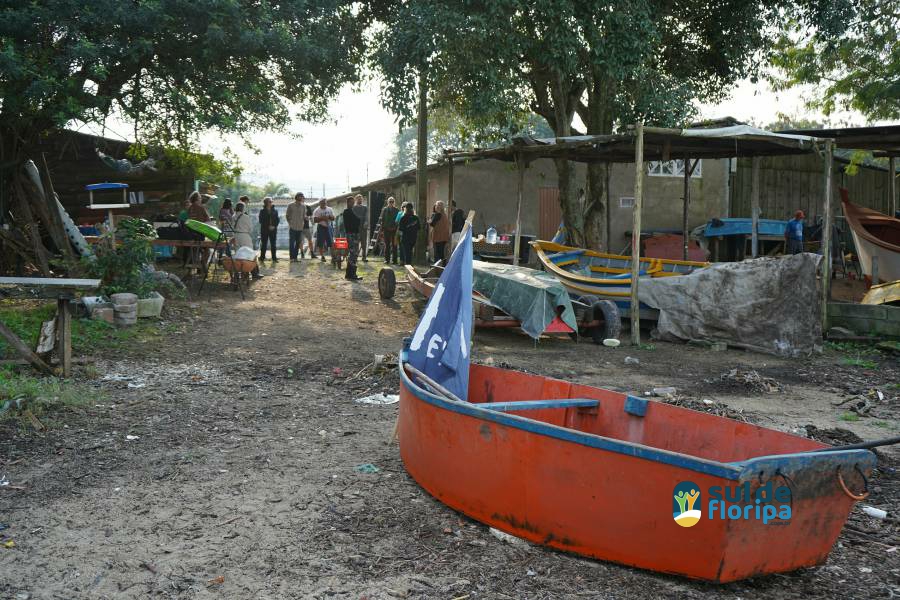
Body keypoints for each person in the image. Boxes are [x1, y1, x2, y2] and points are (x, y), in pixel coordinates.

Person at [232, 201, 262, 279]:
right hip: (244, 236)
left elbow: (232, 227)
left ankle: (243, 274)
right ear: (243, 209)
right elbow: (250, 229)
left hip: (236, 236)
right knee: (250, 254)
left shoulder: (233, 216)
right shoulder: (246, 217)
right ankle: (254, 273)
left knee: (239, 255)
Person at [342, 197, 363, 280]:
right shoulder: (347, 212)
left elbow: (357, 221)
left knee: (353, 254)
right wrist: (358, 220)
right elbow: (356, 221)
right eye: (351, 202)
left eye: (353, 202)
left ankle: (349, 273)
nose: (353, 204)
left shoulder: (351, 211)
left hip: (353, 234)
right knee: (353, 254)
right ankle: (352, 274)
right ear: (347, 203)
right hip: (351, 234)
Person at [286, 192, 307, 262]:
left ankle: (295, 258)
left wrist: (306, 218)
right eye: (300, 196)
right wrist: (290, 223)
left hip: (300, 227)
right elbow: (287, 215)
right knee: (291, 243)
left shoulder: (304, 206)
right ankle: (291, 258)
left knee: (298, 243)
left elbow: (304, 216)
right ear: (297, 197)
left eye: (302, 196)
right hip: (292, 227)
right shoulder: (290, 205)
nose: (301, 198)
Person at [258, 196, 280, 261]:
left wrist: (273, 226)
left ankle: (274, 258)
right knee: (264, 244)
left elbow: (277, 220)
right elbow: (261, 220)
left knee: (273, 244)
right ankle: (262, 258)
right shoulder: (262, 211)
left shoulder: (275, 211)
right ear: (266, 203)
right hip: (264, 230)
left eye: (271, 201)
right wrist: (268, 226)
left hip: (273, 230)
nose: (271, 203)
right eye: (270, 201)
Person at [380, 197, 400, 265]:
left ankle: (395, 260)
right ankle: (387, 259)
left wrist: (395, 228)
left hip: (394, 230)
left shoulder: (397, 210)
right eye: (390, 201)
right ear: (388, 202)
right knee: (387, 245)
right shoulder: (385, 210)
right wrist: (382, 230)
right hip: (386, 229)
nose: (391, 203)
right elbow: (383, 220)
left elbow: (397, 220)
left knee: (394, 245)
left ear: (394, 202)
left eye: (392, 201)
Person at [352, 194, 369, 262]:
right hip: (356, 228)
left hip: (363, 228)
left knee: (364, 243)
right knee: (356, 243)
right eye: (359, 199)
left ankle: (364, 257)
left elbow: (366, 216)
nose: (360, 200)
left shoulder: (365, 207)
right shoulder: (354, 208)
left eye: (361, 199)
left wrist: (366, 222)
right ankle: (355, 256)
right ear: (356, 200)